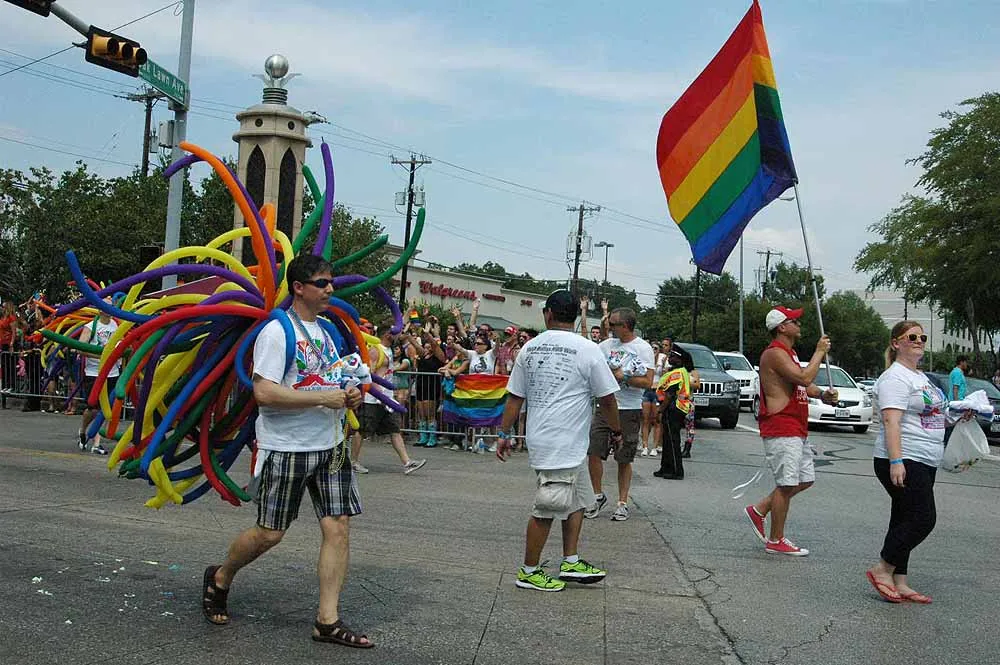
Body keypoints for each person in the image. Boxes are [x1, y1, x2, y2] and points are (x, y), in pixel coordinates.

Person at [201, 254, 373, 648]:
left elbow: (330, 379)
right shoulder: (277, 332)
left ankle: (327, 621)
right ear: (299, 288)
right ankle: (221, 576)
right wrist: (322, 399)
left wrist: (348, 393)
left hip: (330, 445)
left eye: (331, 283)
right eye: (321, 283)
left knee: (338, 526)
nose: (330, 289)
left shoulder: (327, 331)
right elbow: (264, 392)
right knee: (270, 533)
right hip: (287, 447)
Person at [497, 289, 621, 592]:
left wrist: (504, 433)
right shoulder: (588, 349)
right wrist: (617, 430)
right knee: (548, 506)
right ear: (575, 315)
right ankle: (529, 571)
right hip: (560, 443)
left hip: (562, 441)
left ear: (548, 314)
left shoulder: (529, 348)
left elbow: (515, 397)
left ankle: (571, 560)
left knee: (577, 500)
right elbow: (607, 398)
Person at [866, 321, 954, 604]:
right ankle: (883, 568)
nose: (919, 341)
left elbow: (934, 414)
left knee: (903, 517)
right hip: (905, 457)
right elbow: (891, 421)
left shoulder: (921, 377)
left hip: (926, 458)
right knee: (923, 518)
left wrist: (958, 415)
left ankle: (899, 580)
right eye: (912, 336)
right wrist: (896, 461)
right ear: (896, 343)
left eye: (922, 337)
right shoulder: (895, 378)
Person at [743, 306, 836, 556]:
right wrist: (819, 352)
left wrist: (823, 395)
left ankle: (760, 509)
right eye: (794, 320)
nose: (799, 324)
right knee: (786, 484)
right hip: (782, 426)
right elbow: (804, 377)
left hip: (796, 426)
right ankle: (776, 539)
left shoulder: (789, 353)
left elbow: (803, 384)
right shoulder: (774, 353)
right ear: (782, 327)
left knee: (805, 479)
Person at [584, 307, 654, 522]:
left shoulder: (643, 348)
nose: (609, 327)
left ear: (625, 326)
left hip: (628, 408)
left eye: (613, 324)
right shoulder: (605, 346)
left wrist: (623, 377)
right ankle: (597, 496)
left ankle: (622, 503)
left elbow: (648, 382)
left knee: (623, 457)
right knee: (594, 451)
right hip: (605, 406)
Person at [351, 320, 426, 475]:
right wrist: (378, 392)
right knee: (362, 430)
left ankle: (407, 462)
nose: (398, 336)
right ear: (387, 335)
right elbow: (368, 374)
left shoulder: (389, 350)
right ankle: (353, 462)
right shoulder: (375, 350)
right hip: (373, 399)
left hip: (387, 398)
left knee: (394, 429)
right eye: (395, 333)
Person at [78, 301, 120, 455]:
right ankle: (83, 430)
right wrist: (100, 356)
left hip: (112, 372)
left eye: (111, 305)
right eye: (106, 305)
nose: (110, 308)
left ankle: (96, 443)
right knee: (92, 408)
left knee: (104, 408)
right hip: (94, 372)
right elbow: (80, 348)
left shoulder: (116, 325)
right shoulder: (90, 327)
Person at [654, 346, 694, 480]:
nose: (669, 358)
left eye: (672, 356)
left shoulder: (677, 373)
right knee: (667, 439)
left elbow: (670, 394)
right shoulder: (678, 371)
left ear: (679, 359)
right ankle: (665, 468)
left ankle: (677, 471)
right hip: (673, 408)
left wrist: (660, 410)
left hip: (675, 408)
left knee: (672, 440)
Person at [640, 341, 662, 457]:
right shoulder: (646, 359)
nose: (653, 350)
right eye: (652, 348)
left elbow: (665, 375)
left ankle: (654, 447)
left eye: (656, 348)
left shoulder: (663, 360)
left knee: (656, 420)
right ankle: (644, 446)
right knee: (645, 419)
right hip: (647, 390)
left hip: (657, 391)